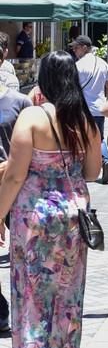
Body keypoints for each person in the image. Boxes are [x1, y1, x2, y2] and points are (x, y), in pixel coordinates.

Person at [0, 51, 102, 348]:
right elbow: (92, 172)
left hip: (34, 221)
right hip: (73, 220)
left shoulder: (32, 116)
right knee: (67, 299)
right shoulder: (83, 120)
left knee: (32, 300)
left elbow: (16, 175)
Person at [0, 72, 31, 334]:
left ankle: (28, 310)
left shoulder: (20, 102)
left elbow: (33, 149)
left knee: (26, 252)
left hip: (16, 183)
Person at [71, 35, 108, 184]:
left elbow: (73, 88)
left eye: (76, 47)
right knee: (99, 138)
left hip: (83, 109)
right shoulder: (103, 64)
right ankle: (105, 160)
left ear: (84, 47)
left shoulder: (78, 65)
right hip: (99, 108)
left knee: (81, 138)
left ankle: (84, 168)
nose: (75, 51)